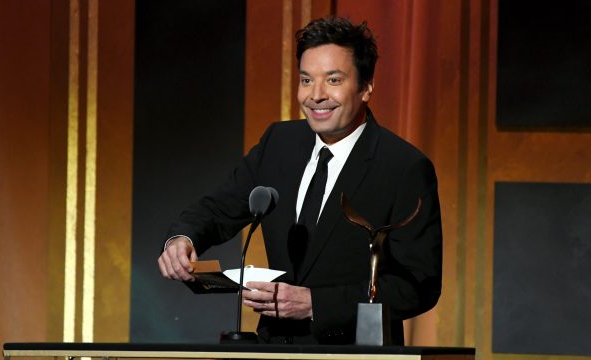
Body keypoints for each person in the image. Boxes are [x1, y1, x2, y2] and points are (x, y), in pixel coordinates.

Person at [157, 16, 442, 345]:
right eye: (306, 80)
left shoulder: (403, 167)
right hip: (275, 348)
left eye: (333, 80)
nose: (316, 95)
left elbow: (418, 285)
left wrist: (314, 304)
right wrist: (182, 238)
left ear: (366, 87)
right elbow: (221, 207)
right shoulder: (279, 143)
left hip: (355, 353)